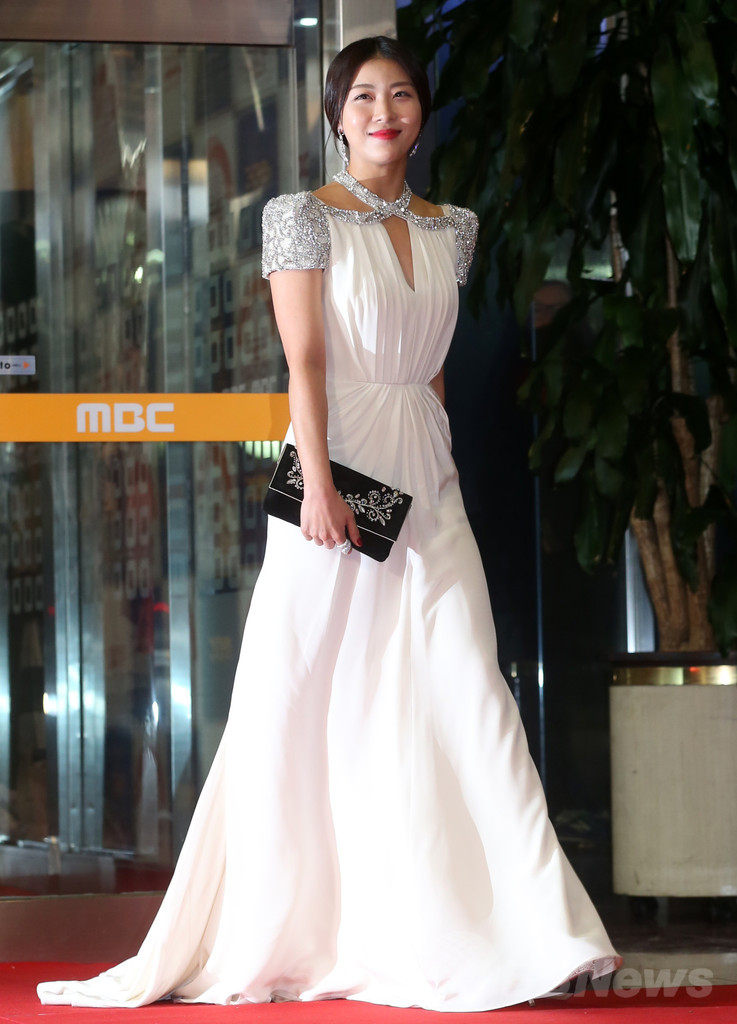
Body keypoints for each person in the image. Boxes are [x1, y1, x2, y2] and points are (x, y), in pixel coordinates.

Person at [38, 36, 621, 1012]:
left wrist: (440, 473)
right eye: (362, 97)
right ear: (335, 115)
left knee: (470, 686)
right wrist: (316, 485)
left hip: (425, 474)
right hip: (336, 466)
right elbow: (302, 361)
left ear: (420, 112)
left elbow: (430, 370)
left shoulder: (453, 228)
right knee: (300, 691)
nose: (382, 111)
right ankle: (282, 925)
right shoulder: (299, 217)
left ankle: (541, 932)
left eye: (400, 94)